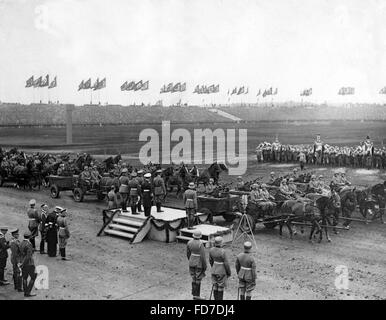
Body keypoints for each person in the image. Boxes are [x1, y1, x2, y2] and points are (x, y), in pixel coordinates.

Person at [186, 230, 207, 300]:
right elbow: (203, 256)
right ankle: (197, 295)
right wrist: (205, 266)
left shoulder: (189, 242)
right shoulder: (200, 244)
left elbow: (188, 253)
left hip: (191, 261)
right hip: (199, 263)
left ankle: (194, 294)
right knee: (198, 278)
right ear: (200, 236)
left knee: (193, 277)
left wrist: (191, 260)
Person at [209, 236, 231, 300]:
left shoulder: (211, 250)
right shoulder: (223, 251)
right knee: (220, 286)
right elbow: (226, 263)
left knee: (215, 285)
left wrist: (213, 267)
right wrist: (228, 272)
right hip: (221, 271)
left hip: (214, 269)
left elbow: (210, 260)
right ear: (221, 243)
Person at [19, 231, 37, 297]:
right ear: (29, 237)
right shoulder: (29, 244)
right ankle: (28, 292)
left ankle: (25, 292)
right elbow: (28, 256)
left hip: (22, 261)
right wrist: (24, 263)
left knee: (24, 278)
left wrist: (21, 263)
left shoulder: (21, 243)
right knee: (33, 277)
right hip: (29, 263)